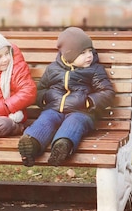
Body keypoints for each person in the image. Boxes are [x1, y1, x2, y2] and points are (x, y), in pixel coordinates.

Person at [18, 26, 115, 166]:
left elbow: (107, 92)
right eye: (82, 52)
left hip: (81, 112)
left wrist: (88, 102)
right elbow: (39, 90)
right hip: (54, 110)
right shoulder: (53, 69)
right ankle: (31, 144)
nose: (89, 56)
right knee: (45, 120)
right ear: (69, 55)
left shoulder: (94, 70)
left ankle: (62, 146)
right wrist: (45, 98)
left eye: (90, 51)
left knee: (74, 122)